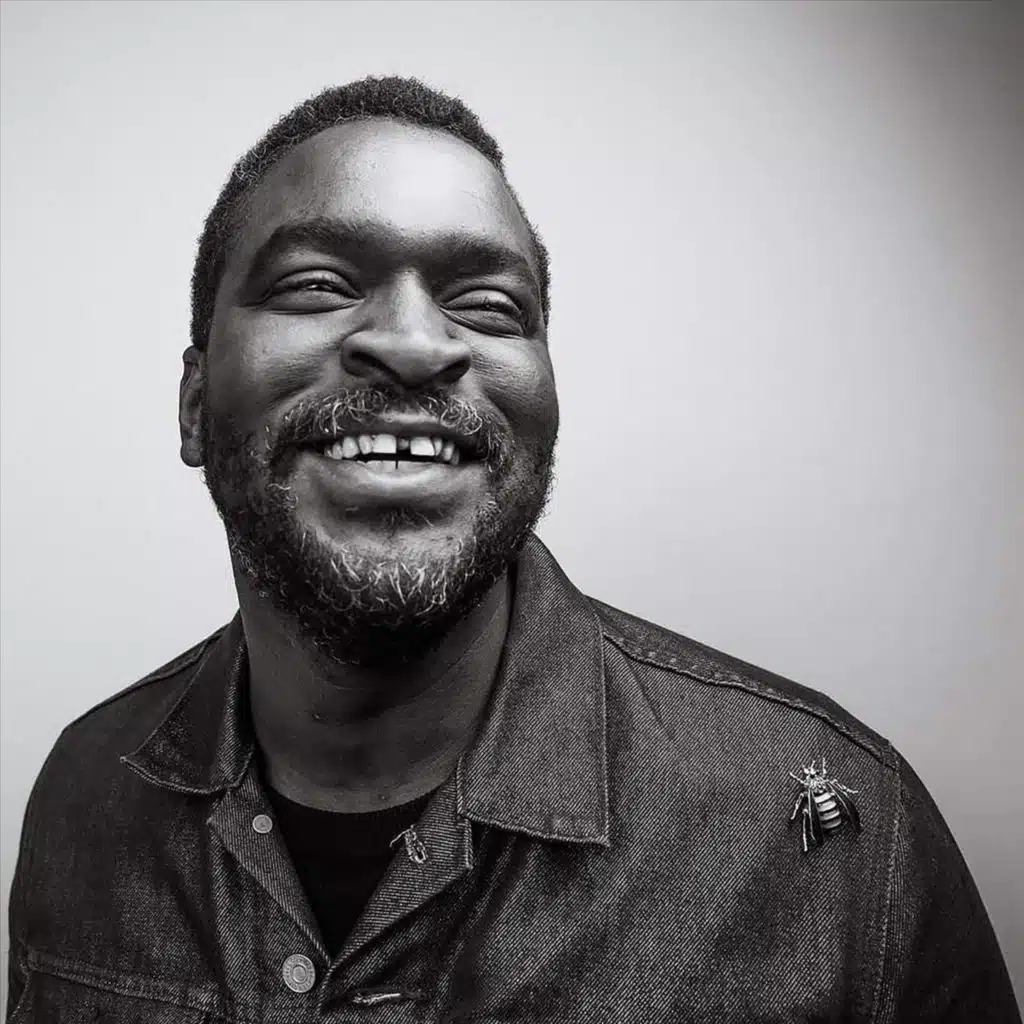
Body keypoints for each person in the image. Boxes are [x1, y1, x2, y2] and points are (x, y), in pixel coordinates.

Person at [6, 76, 1018, 1024]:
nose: (416, 343)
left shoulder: (836, 845)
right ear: (194, 403)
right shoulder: (87, 792)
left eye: (488, 306)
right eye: (317, 285)